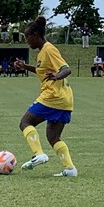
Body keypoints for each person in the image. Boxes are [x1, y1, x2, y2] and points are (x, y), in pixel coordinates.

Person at [14, 16, 78, 177]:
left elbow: (66, 69)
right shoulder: (42, 52)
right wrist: (25, 66)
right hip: (64, 99)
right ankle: (70, 169)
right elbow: (42, 71)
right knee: (53, 136)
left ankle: (38, 154)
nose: (27, 42)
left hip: (53, 96)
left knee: (25, 122)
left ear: (35, 35)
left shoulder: (49, 49)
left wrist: (57, 76)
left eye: (28, 38)